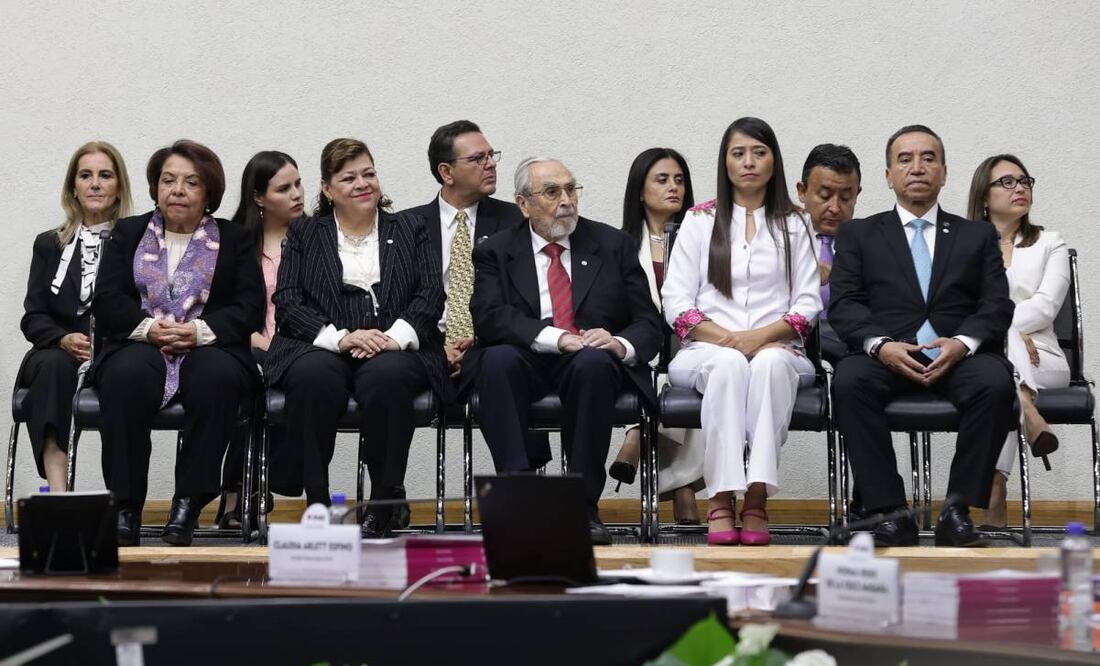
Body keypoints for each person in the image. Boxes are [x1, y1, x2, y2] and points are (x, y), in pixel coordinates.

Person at [829, 125, 1015, 547]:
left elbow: (996, 305)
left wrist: (963, 342)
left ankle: (957, 512)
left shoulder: (976, 235)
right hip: (888, 355)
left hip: (958, 356)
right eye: (905, 159)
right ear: (889, 175)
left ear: (945, 172)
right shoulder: (859, 234)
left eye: (928, 158)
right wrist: (881, 345)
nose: (917, 167)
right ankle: (889, 513)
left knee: (995, 380)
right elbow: (845, 304)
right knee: (849, 379)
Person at [462, 157, 662, 545]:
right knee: (496, 359)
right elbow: (488, 318)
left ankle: (582, 506)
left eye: (571, 189)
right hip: (527, 356)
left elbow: (648, 323)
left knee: (593, 363)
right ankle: (519, 499)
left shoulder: (612, 244)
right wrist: (556, 337)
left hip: (590, 360)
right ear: (523, 205)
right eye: (552, 192)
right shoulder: (496, 251)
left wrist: (619, 343)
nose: (566, 200)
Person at [263, 138, 446, 538]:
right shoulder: (305, 233)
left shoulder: (412, 228)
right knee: (313, 378)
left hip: (393, 346)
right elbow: (289, 300)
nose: (363, 184)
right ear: (328, 190)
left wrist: (396, 337)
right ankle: (318, 502)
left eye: (369, 173)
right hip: (321, 343)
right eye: (349, 178)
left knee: (388, 378)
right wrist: (340, 338)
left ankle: (385, 499)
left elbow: (431, 293)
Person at [93, 140, 265, 546]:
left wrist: (200, 331)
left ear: (209, 193)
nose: (178, 190)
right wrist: (149, 328)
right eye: (168, 180)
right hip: (141, 341)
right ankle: (126, 506)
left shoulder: (234, 238)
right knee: (125, 377)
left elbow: (249, 306)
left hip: (210, 345)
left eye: (191, 182)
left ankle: (188, 503)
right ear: (155, 187)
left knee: (217, 380)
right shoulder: (129, 232)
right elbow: (107, 299)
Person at [663, 118, 821, 546]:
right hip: (705, 349)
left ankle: (755, 500)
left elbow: (807, 302)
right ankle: (719, 497)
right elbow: (676, 301)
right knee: (730, 365)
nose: (749, 162)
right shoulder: (700, 221)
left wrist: (761, 338)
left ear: (774, 161)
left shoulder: (795, 223)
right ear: (725, 162)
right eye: (738, 153)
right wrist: (728, 339)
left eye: (759, 152)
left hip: (779, 349)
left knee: (768, 364)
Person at [19, 141, 133, 491]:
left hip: (116, 349)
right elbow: (33, 316)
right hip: (61, 350)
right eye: (86, 175)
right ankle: (59, 492)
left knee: (130, 374)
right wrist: (62, 338)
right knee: (51, 367)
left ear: (118, 188)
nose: (95, 183)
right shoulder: (48, 244)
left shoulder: (137, 243)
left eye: (105, 175)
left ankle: (121, 500)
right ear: (74, 188)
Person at [966, 154, 1070, 528]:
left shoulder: (1050, 243)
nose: (1020, 188)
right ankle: (1027, 411)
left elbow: (1045, 307)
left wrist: (998, 326)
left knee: (1000, 367)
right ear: (983, 195)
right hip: (991, 359)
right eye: (1007, 182)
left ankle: (995, 487)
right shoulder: (965, 246)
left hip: (1045, 358)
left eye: (1024, 181)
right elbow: (957, 308)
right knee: (999, 377)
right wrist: (1003, 330)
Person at [607, 147, 703, 525]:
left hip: (692, 343)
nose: (673, 187)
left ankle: (635, 436)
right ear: (640, 191)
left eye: (679, 180)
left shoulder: (705, 238)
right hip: (639, 350)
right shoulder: (617, 245)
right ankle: (683, 491)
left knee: (685, 372)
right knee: (662, 374)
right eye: (662, 180)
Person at [214, 150, 305, 530]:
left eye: (298, 183)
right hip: (249, 343)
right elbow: (226, 307)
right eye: (284, 188)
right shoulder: (235, 242)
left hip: (300, 347)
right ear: (258, 197)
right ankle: (238, 490)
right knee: (245, 379)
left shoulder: (315, 237)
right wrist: (257, 340)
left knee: (300, 376)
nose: (297, 194)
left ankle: (251, 487)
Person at [795, 144, 862, 366]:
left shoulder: (871, 244)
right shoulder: (779, 243)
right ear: (802, 191)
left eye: (845, 197)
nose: (834, 208)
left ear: (857, 194)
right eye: (824, 196)